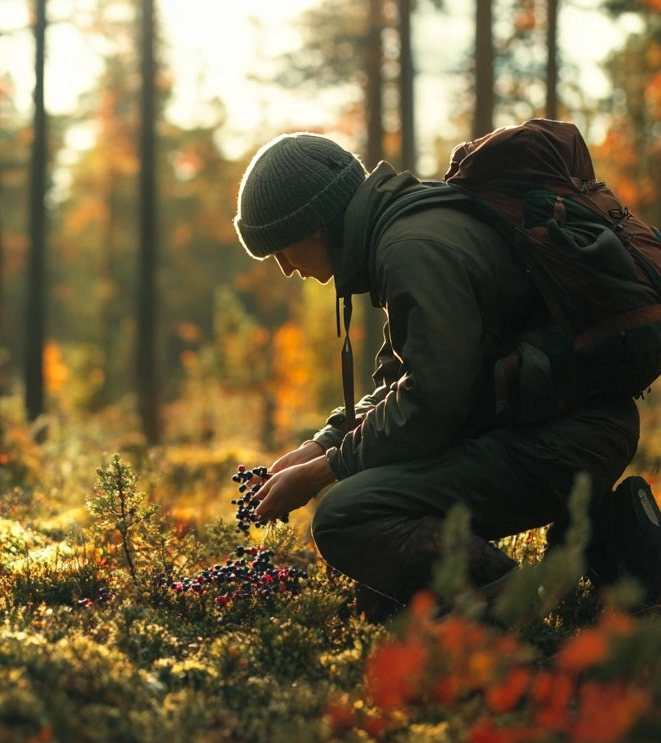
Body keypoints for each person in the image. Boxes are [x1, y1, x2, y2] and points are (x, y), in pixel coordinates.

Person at [233, 131, 641, 618]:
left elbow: (432, 404)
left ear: (314, 226)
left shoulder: (412, 248)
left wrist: (326, 471)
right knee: (379, 582)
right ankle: (621, 541)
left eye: (280, 249)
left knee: (347, 515)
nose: (284, 269)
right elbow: (400, 383)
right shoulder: (403, 229)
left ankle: (503, 604)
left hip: (567, 440)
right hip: (558, 426)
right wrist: (321, 444)